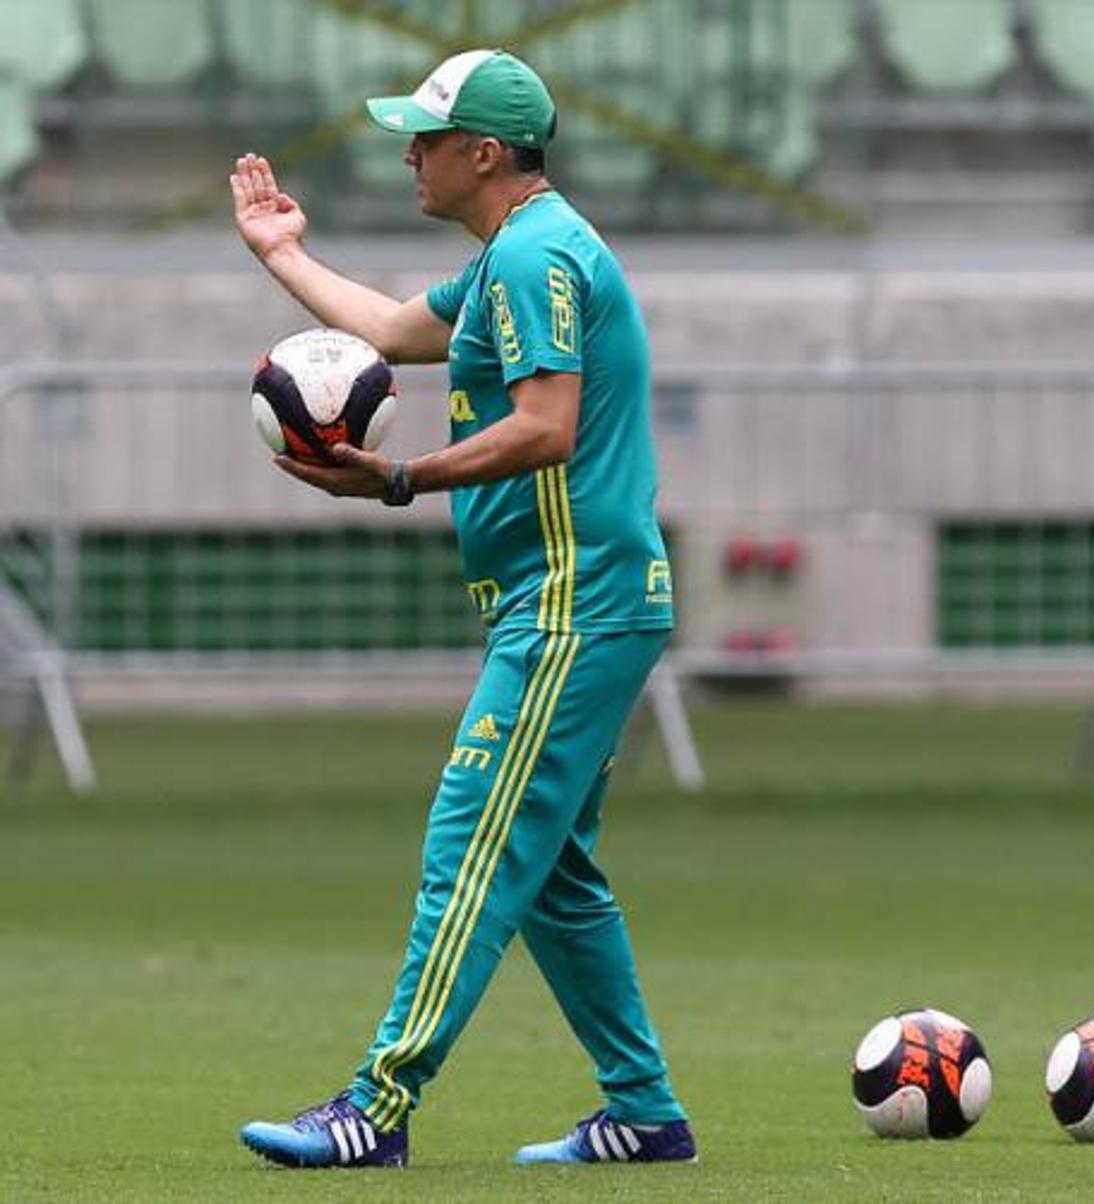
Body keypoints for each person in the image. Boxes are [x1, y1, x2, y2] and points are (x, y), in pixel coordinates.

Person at [229, 49, 692, 1169]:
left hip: (573, 603)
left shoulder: (534, 258)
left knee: (473, 844)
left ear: (484, 153)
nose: (408, 156)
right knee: (551, 872)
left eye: (425, 140)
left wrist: (396, 479)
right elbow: (388, 330)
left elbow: (546, 428)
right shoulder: (519, 254)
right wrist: (284, 254)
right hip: (578, 601)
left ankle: (375, 1109)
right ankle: (643, 1112)